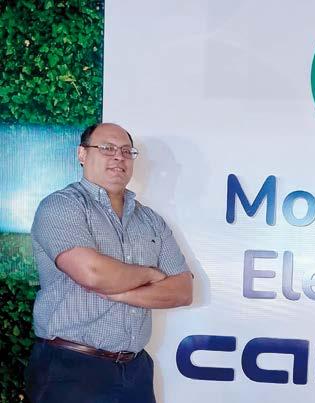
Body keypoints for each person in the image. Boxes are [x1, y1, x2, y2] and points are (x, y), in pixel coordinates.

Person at [25, 123, 193, 403]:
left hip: (135, 371)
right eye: (107, 148)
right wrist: (151, 274)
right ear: (82, 154)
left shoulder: (150, 220)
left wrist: (120, 293)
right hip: (70, 368)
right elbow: (92, 273)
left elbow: (183, 290)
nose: (118, 157)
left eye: (127, 151)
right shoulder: (62, 206)